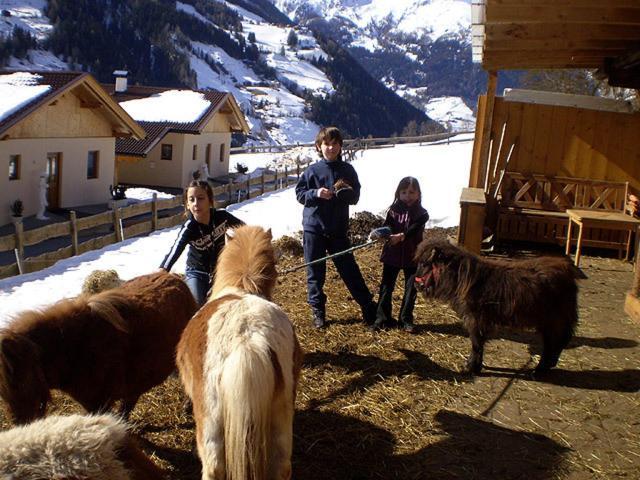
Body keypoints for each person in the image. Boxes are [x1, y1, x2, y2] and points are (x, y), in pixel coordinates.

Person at [295, 126, 377, 329]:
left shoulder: (347, 170)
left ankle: (368, 306)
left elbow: (356, 197)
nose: (330, 148)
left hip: (338, 229)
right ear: (318, 146)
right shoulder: (312, 171)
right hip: (314, 229)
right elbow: (300, 194)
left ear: (340, 146)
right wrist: (315, 193)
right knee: (315, 272)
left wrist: (345, 194)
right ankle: (318, 311)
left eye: (334, 144)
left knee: (349, 269)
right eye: (326, 144)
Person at [160, 180, 243, 306]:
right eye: (191, 200)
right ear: (187, 204)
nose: (196, 204)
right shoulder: (189, 228)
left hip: (220, 270)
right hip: (196, 272)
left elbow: (245, 230)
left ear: (210, 201)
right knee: (197, 304)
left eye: (200, 198)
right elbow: (176, 249)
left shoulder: (222, 217)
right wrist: (163, 268)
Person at [370, 176, 429, 333]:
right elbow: (388, 226)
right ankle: (382, 318)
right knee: (386, 286)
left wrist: (401, 236)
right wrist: (381, 233)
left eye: (411, 192)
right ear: (398, 193)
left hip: (413, 256)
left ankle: (406, 320)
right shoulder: (393, 210)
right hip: (392, 254)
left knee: (411, 288)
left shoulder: (423, 214)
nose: (407, 196)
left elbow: (414, 229)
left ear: (418, 194)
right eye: (404, 192)